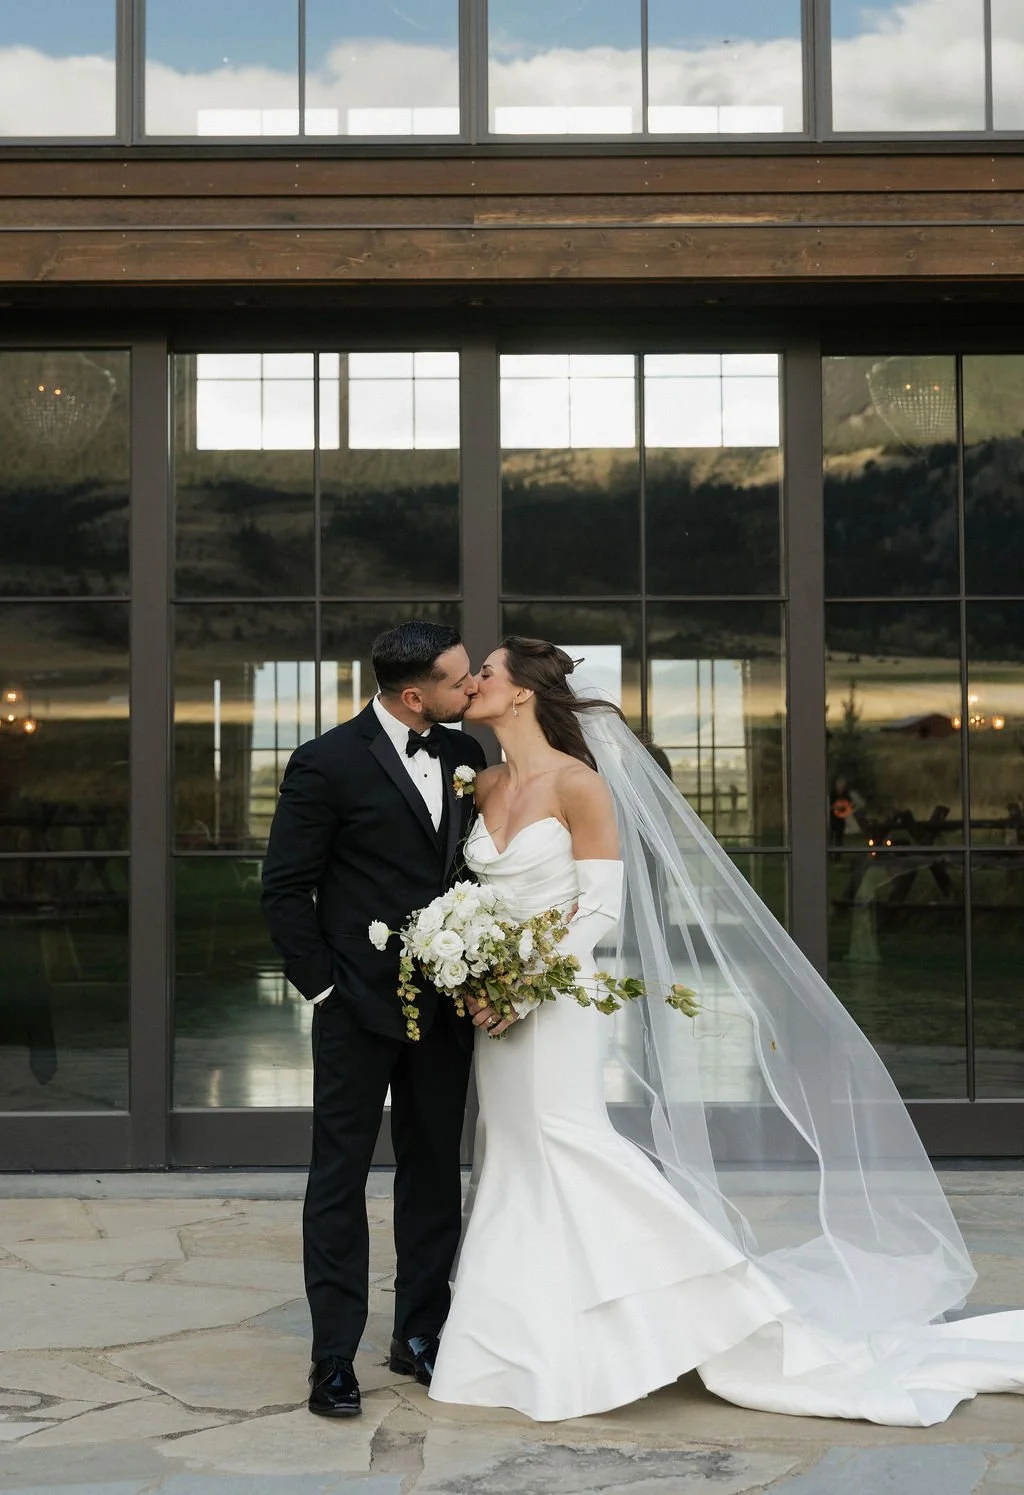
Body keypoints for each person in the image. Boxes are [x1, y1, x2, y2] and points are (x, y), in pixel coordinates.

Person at [428, 636, 1024, 1426]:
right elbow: (480, 895)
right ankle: (529, 1342)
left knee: (570, 1141)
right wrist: (474, 967)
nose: (472, 682)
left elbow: (599, 907)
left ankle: (715, 1297)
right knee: (511, 1154)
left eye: (487, 673)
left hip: (558, 1002)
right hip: (496, 1006)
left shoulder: (580, 784)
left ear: (524, 694)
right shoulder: (487, 781)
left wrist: (526, 982)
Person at [261, 620, 486, 1419]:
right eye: (460, 680)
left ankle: (420, 1334)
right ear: (415, 692)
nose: (473, 690)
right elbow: (285, 888)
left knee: (434, 1175)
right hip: (354, 1007)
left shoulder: (466, 758)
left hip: (446, 1010)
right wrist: (323, 989)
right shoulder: (325, 762)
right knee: (339, 1178)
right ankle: (332, 1359)